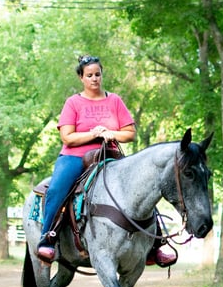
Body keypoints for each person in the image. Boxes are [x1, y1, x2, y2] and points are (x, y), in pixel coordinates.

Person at [36, 55, 176, 268]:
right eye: (89, 75)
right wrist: (94, 134)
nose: (94, 79)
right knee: (57, 189)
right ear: (81, 77)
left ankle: (155, 246)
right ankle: (48, 237)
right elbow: (67, 137)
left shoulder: (114, 101)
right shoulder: (73, 103)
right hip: (75, 157)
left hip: (110, 156)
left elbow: (129, 133)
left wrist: (110, 133)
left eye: (97, 74)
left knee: (141, 187)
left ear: (102, 75)